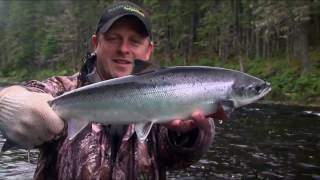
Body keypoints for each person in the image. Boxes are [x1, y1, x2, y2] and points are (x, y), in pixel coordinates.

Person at [0, 1, 220, 179]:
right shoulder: (64, 90)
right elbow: (25, 93)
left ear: (149, 50)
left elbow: (179, 159)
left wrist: (189, 135)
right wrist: (9, 104)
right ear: (96, 43)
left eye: (134, 41)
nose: (124, 49)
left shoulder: (172, 98)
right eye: (113, 38)